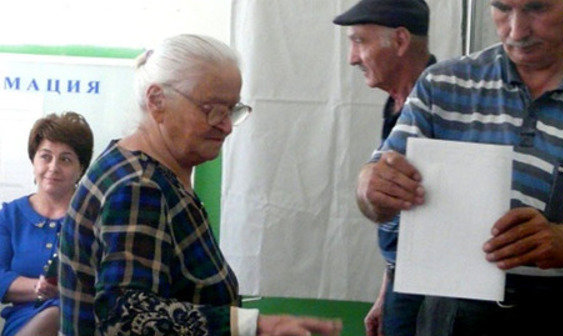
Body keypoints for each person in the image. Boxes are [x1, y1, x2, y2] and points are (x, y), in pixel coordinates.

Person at [356, 0, 563, 335]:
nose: (516, 30)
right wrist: (371, 186)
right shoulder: (443, 85)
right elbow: (376, 195)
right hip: (454, 313)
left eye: (537, 9)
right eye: (502, 8)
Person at [58, 34, 342, 336]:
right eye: (213, 110)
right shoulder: (139, 187)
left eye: (232, 110)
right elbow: (125, 316)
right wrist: (252, 326)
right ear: (157, 101)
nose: (227, 126)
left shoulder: (135, 167)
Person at [333, 0, 435, 335]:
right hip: (402, 281)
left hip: (432, 288)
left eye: (360, 41)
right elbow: (403, 219)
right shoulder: (396, 104)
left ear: (401, 41)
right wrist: (386, 294)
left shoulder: (445, 104)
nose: (352, 58)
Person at [0, 112, 94, 336]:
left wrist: (65, 292)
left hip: (80, 320)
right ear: (33, 160)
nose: (53, 166)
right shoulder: (10, 215)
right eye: (46, 156)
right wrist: (39, 288)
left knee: (60, 313)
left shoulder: (93, 218)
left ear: (80, 169)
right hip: (24, 320)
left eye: (65, 159)